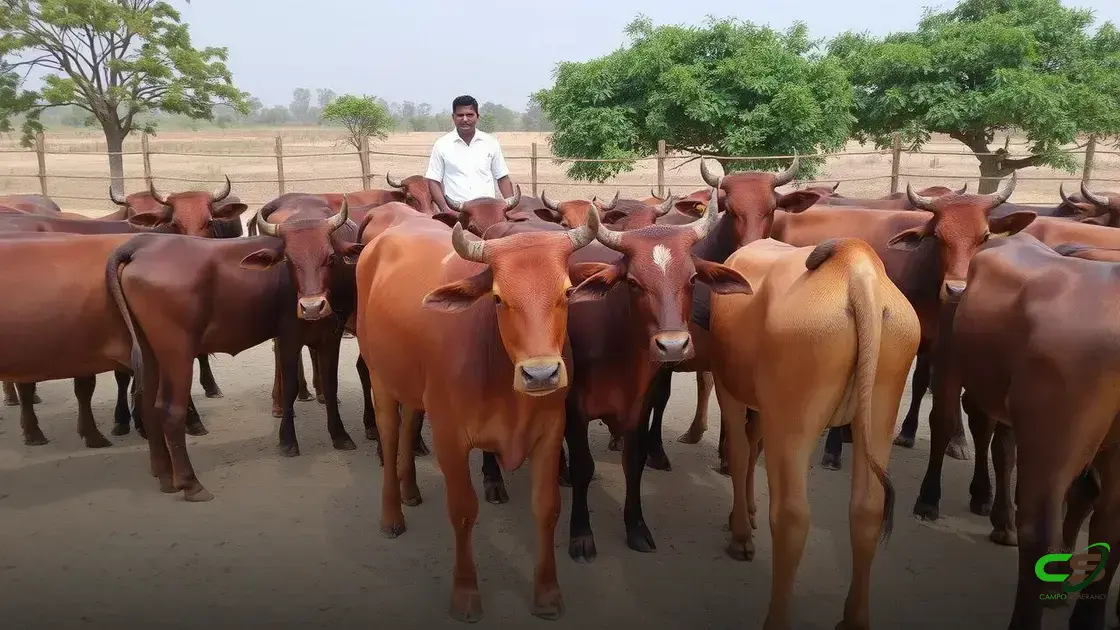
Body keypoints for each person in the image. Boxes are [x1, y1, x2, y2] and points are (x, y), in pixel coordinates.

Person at [425, 95, 515, 213]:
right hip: (457, 212)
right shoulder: (442, 144)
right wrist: (445, 209)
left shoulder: (491, 142)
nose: (465, 119)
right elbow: (433, 180)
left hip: (488, 212)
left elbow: (502, 177)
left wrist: (511, 208)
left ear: (478, 117)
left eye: (470, 115)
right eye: (460, 115)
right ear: (453, 117)